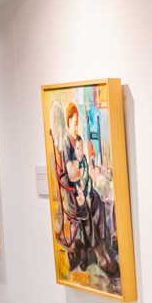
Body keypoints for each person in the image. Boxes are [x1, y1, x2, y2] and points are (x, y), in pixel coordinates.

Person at [56, 104, 116, 276]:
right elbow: (71, 173)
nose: (76, 126)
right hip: (72, 191)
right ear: (68, 122)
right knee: (87, 208)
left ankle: (103, 244)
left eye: (77, 123)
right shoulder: (67, 142)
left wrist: (87, 172)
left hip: (82, 185)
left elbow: (83, 168)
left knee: (98, 201)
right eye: (74, 123)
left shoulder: (77, 140)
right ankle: (96, 249)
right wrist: (82, 175)